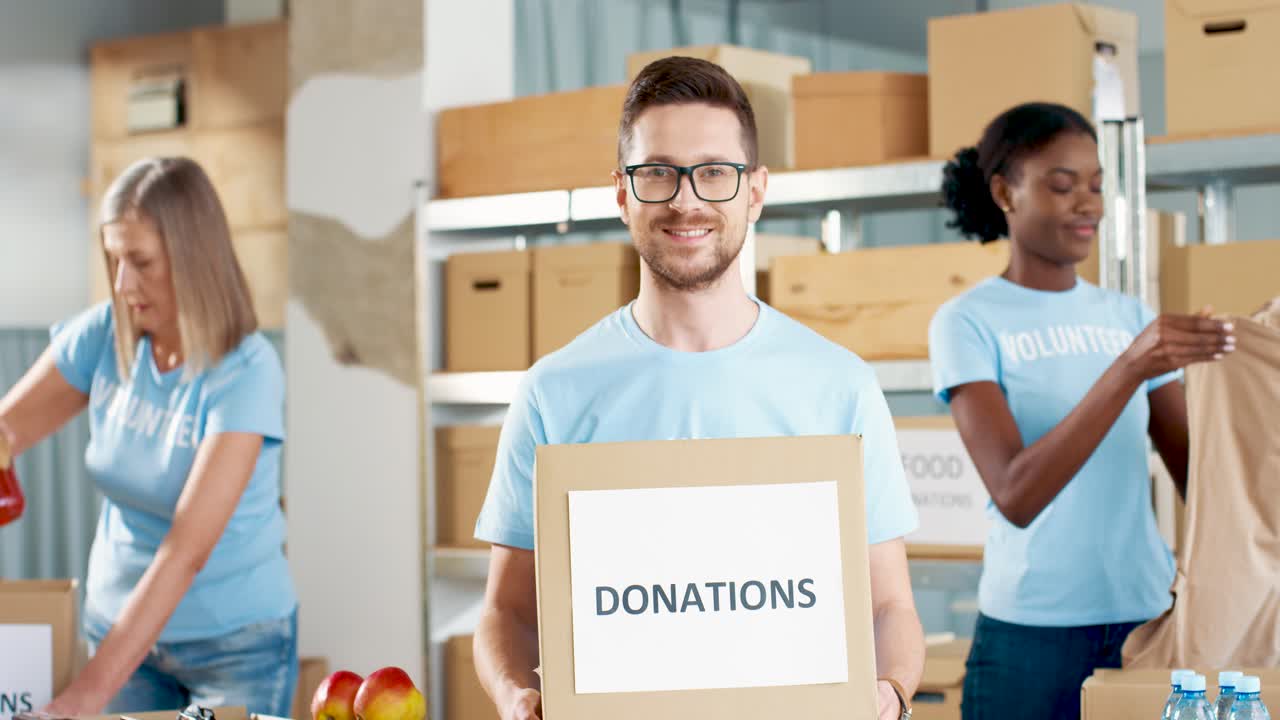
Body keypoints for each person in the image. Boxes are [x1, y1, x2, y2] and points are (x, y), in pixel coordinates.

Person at [470, 56, 925, 720]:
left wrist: (890, 694)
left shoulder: (839, 386)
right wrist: (516, 697)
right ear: (623, 194)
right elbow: (507, 611)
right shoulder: (554, 392)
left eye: (714, 172)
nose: (687, 200)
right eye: (658, 173)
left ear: (756, 191)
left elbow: (890, 605)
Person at [929, 102, 1234, 720]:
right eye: (1062, 186)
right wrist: (1126, 370)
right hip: (1029, 638)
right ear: (1004, 192)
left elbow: (1200, 482)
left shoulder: (1126, 316)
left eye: (1096, 186)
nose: (1088, 204)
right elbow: (1015, 493)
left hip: (1145, 621)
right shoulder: (967, 321)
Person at [0, 157, 297, 715]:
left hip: (234, 644)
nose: (122, 283)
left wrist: (86, 694)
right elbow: (7, 429)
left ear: (192, 258)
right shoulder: (105, 336)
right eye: (113, 260)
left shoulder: (246, 372)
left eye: (140, 262)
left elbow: (186, 551)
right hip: (117, 630)